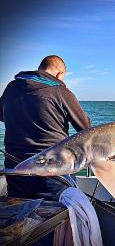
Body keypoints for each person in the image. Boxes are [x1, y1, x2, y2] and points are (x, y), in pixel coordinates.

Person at [0, 55, 91, 201]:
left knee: (21, 214)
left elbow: (2, 116)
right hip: (51, 172)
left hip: (15, 169)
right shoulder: (61, 92)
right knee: (54, 215)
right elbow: (86, 129)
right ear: (59, 74)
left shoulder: (11, 87)